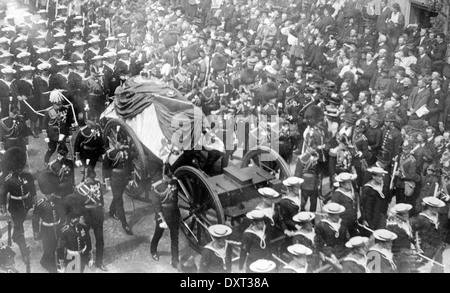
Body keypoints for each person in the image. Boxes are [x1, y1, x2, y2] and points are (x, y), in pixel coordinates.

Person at [0, 147, 35, 268]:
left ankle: (17, 235)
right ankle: (23, 248)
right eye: (18, 167)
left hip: (27, 203)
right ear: (14, 166)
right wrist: (3, 207)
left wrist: (34, 199)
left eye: (21, 167)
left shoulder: (28, 176)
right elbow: (3, 194)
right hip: (16, 207)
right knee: (19, 227)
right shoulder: (8, 179)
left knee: (19, 224)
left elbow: (32, 188)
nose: (20, 169)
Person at [75, 167, 108, 271]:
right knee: (84, 238)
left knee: (100, 240)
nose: (93, 180)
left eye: (93, 178)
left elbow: (101, 198)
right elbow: (78, 205)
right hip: (86, 215)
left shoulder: (97, 184)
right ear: (86, 177)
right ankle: (87, 257)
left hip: (97, 215)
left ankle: (99, 262)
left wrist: (101, 209)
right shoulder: (80, 188)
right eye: (91, 178)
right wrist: (80, 217)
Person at [32, 171, 64, 273]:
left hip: (58, 227)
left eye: (52, 192)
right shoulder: (40, 204)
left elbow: (62, 213)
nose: (52, 194)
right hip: (47, 230)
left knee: (58, 245)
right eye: (49, 193)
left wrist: (63, 223)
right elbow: (35, 219)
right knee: (49, 249)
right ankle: (49, 265)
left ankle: (45, 260)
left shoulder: (57, 200)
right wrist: (36, 232)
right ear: (44, 191)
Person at [102, 132, 133, 235]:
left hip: (124, 178)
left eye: (124, 141)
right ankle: (125, 224)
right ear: (116, 142)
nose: (123, 144)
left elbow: (130, 164)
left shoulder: (127, 150)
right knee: (119, 201)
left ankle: (111, 211)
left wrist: (131, 178)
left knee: (117, 196)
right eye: (121, 142)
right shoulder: (111, 153)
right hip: (115, 178)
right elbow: (105, 168)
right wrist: (107, 183)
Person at [150, 173, 180, 269]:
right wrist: (160, 219)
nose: (171, 179)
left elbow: (175, 199)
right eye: (169, 177)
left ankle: (175, 260)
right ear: (164, 176)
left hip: (174, 214)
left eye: (172, 177)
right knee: (158, 234)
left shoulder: (175, 182)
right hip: (164, 216)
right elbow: (156, 205)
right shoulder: (157, 187)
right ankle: (153, 250)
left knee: (175, 238)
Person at [56, 196, 92, 273]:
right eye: (73, 218)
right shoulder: (65, 230)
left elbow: (88, 240)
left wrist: (89, 255)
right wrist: (61, 262)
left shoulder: (83, 227)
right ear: (69, 217)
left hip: (83, 255)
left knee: (81, 269)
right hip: (71, 257)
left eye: (77, 217)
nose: (76, 219)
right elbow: (60, 247)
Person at [411, 196, 446, 273]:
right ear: (430, 207)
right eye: (435, 208)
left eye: (437, 208)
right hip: (425, 246)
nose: (437, 210)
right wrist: (417, 246)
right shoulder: (421, 218)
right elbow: (414, 232)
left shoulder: (437, 217)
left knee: (435, 268)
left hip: (436, 247)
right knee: (421, 268)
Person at [42, 90, 74, 166]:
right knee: (51, 149)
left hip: (62, 133)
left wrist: (70, 134)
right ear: (53, 103)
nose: (59, 106)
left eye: (60, 104)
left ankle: (62, 162)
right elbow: (44, 125)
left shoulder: (65, 109)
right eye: (57, 104)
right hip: (52, 134)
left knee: (63, 149)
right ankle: (46, 161)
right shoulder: (48, 111)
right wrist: (45, 136)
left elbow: (68, 122)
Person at [315, 202, 349, 272]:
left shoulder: (342, 224)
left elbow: (346, 240)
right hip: (329, 254)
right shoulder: (321, 226)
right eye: (335, 215)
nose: (337, 217)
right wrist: (331, 255)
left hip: (342, 253)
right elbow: (319, 244)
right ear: (329, 215)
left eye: (338, 214)